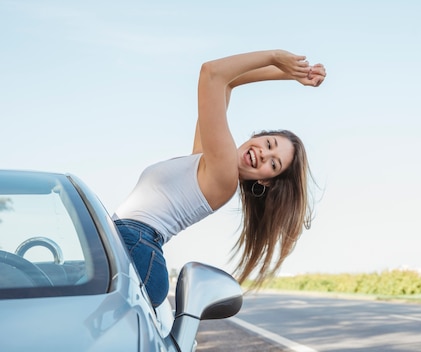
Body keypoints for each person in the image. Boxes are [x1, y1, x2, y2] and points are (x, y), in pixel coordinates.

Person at [112, 49, 326, 307]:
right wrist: (292, 74)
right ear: (257, 135)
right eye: (268, 143)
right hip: (131, 244)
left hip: (136, 247)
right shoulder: (205, 161)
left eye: (273, 163)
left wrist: (274, 57)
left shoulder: (224, 174)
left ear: (266, 181)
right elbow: (230, 82)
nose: (263, 154)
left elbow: (212, 74)